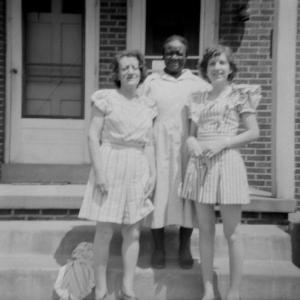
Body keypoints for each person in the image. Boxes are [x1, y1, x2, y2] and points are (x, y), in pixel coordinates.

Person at [181, 45, 261, 300]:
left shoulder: (239, 95)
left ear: (230, 68)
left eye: (222, 63)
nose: (217, 68)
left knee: (232, 232)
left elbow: (253, 131)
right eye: (212, 64)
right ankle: (207, 288)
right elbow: (190, 135)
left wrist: (224, 143)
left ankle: (233, 293)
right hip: (201, 165)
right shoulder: (197, 99)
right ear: (205, 69)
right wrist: (192, 143)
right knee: (205, 230)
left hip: (228, 162)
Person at [79, 50, 157, 300]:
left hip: (138, 165)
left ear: (141, 71)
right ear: (117, 73)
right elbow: (93, 135)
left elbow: (150, 142)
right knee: (103, 230)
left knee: (132, 231)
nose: (131, 72)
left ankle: (128, 286)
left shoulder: (147, 104)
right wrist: (100, 171)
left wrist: (153, 173)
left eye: (134, 67)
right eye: (125, 68)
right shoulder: (106, 99)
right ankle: (100, 287)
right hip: (110, 161)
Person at [142, 35, 211, 269]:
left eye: (178, 52)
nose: (173, 57)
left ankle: (184, 248)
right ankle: (158, 248)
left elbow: (209, 116)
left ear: (186, 56)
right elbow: (141, 115)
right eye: (169, 52)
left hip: (186, 148)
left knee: (187, 197)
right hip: (158, 146)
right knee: (159, 194)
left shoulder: (198, 85)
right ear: (162, 56)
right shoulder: (151, 82)